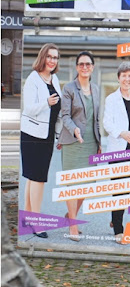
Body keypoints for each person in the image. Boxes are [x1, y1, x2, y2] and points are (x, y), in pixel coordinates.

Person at [102, 61, 130, 243]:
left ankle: (115, 218)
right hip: (118, 149)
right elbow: (107, 123)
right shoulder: (111, 99)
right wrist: (121, 133)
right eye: (124, 76)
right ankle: (118, 229)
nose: (127, 79)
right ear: (119, 78)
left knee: (127, 189)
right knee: (118, 189)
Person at [20, 44, 62, 238]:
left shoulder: (55, 79)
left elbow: (59, 110)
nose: (53, 60)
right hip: (32, 135)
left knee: (34, 177)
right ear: (43, 57)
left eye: (56, 57)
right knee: (37, 178)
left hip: (47, 136)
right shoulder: (33, 79)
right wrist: (46, 103)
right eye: (50, 56)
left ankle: (28, 219)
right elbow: (28, 108)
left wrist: (60, 134)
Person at [58, 51, 101, 241]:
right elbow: (65, 115)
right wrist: (74, 130)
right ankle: (73, 226)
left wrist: (100, 142)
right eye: (81, 64)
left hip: (91, 142)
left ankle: (70, 216)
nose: (85, 67)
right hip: (73, 141)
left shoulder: (97, 89)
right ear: (77, 67)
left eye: (88, 64)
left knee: (87, 184)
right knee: (72, 183)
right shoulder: (68, 88)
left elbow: (97, 118)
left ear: (92, 67)